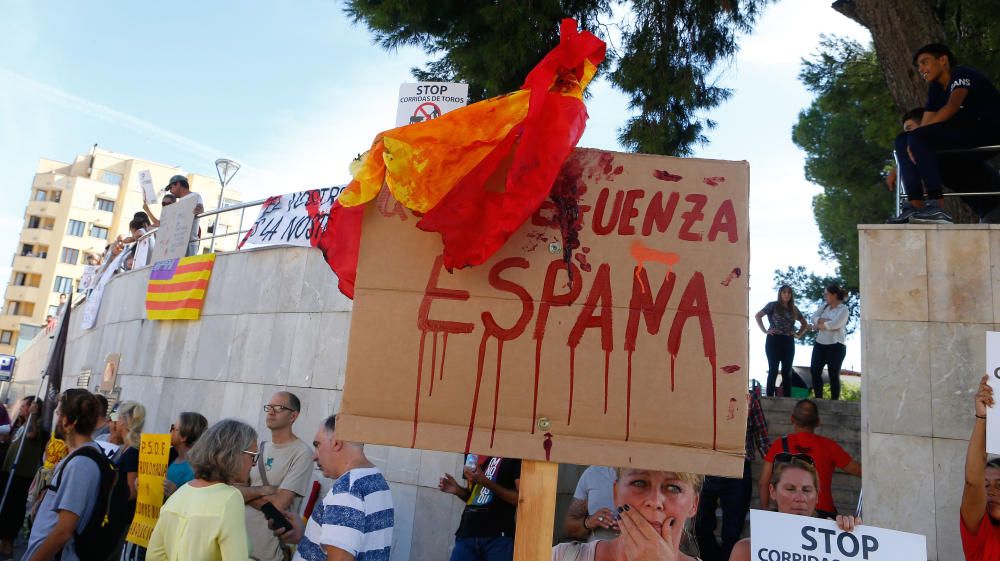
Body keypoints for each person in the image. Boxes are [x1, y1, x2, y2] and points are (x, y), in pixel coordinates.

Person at [887, 43, 1000, 224]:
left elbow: (952, 106)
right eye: (918, 66)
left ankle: (936, 207)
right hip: (965, 136)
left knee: (916, 137)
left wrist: (917, 140)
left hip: (989, 132)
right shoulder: (935, 88)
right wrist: (901, 164)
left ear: (943, 60)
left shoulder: (962, 74)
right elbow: (926, 124)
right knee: (903, 139)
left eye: (925, 62)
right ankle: (916, 206)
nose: (921, 69)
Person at [285, 415, 393, 561]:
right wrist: (308, 536)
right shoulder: (376, 480)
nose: (314, 457)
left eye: (317, 445)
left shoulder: (347, 490)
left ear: (336, 443)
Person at [147, 419, 258, 561]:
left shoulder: (180, 493)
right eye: (252, 456)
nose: (254, 464)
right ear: (234, 453)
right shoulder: (230, 498)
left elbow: (154, 556)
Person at [20, 389, 104, 561]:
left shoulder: (80, 465)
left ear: (67, 422)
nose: (56, 419)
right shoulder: (79, 457)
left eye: (58, 413)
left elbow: (63, 532)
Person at [728, 457, 862, 561]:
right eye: (790, 489)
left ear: (817, 496)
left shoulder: (834, 550)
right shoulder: (746, 551)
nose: (800, 497)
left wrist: (853, 540)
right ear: (773, 491)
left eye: (807, 490)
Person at [552, 469, 703, 561]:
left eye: (673, 488)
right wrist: (588, 522)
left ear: (694, 504)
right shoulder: (558, 556)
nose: (654, 501)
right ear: (616, 493)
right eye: (639, 483)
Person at [237, 392, 314, 561]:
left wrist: (243, 493)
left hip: (270, 551)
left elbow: (279, 504)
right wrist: (263, 491)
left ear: (293, 416)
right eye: (269, 407)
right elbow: (232, 488)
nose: (271, 411)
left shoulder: (302, 452)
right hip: (239, 546)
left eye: (278, 407)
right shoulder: (259, 447)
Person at [694, 388, 770, 561]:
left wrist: (775, 464)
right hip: (708, 465)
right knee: (700, 527)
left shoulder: (751, 397)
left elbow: (762, 436)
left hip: (739, 469)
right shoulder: (705, 391)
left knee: (733, 530)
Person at [758, 399, 861, 519]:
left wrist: (765, 511)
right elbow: (860, 471)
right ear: (818, 422)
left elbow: (763, 483)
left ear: (792, 419)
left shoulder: (779, 445)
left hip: (788, 513)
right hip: (824, 514)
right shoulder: (829, 446)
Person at [439, 455, 521, 561]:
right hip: (467, 533)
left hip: (497, 537)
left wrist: (486, 481)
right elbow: (476, 497)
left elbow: (520, 499)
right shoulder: (483, 455)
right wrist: (457, 490)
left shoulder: (517, 456)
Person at [960, 375, 1000, 559]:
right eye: (986, 485)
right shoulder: (979, 531)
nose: (991, 491)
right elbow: (972, 481)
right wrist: (982, 418)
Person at [0, 396, 44, 558]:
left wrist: (33, 415)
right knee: (5, 507)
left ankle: (8, 545)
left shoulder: (35, 424)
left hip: (21, 474)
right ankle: (3, 540)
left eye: (25, 406)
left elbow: (31, 435)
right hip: (9, 471)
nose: (22, 408)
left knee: (13, 509)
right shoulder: (20, 424)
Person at [755, 285, 807, 397]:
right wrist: (765, 331)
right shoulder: (772, 305)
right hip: (773, 340)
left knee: (787, 370)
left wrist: (798, 335)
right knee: (773, 369)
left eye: (789, 292)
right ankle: (769, 397)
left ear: (791, 295)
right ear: (780, 293)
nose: (786, 294)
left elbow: (804, 323)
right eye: (784, 292)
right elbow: (758, 316)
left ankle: (787, 398)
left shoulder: (794, 309)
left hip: (788, 341)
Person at [110, 401, 145, 561]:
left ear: (123, 421)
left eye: (116, 417)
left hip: (122, 517)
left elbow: (132, 491)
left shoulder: (132, 451)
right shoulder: (126, 447)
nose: (114, 421)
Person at [808, 285, 849, 400]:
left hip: (837, 345)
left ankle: (834, 401)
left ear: (834, 295)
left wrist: (819, 325)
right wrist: (825, 323)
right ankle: (818, 399)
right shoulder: (824, 306)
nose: (825, 296)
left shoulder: (843, 309)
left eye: (827, 294)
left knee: (833, 374)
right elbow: (813, 317)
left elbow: (835, 325)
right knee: (815, 371)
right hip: (820, 343)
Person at [563, 466, 618, 542]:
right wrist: (587, 523)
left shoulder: (638, 472)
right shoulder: (592, 473)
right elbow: (569, 527)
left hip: (633, 550)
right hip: (596, 550)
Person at [163, 412, 208, 499]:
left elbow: (195, 499)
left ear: (183, 437)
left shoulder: (194, 468)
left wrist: (176, 493)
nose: (170, 431)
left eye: (173, 428)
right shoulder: (171, 456)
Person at [165, 175, 204, 256]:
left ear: (178, 184)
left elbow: (200, 209)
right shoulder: (178, 203)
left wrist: (198, 209)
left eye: (171, 187)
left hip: (190, 242)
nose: (170, 191)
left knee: (188, 268)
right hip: (177, 244)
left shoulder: (195, 196)